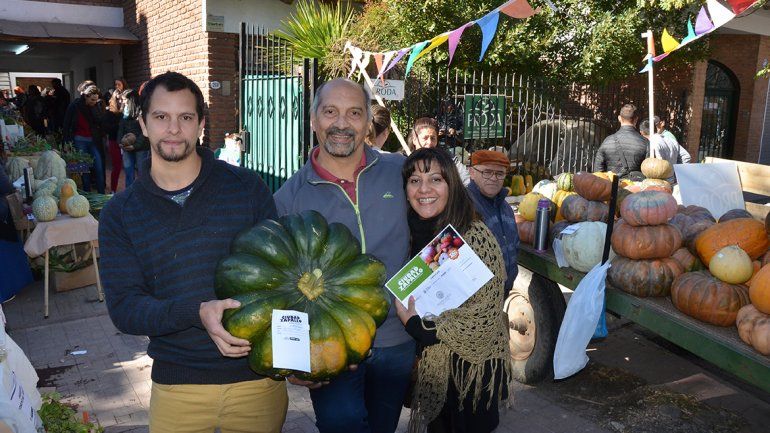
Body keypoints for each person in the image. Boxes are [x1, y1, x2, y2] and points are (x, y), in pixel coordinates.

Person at [99, 71, 287, 433]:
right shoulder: (120, 213)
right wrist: (196, 312)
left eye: (185, 117)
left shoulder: (247, 188)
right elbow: (124, 309)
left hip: (256, 381)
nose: (173, 129)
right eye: (161, 117)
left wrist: (299, 355)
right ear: (143, 123)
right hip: (177, 387)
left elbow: (281, 279)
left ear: (201, 123)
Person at [274, 78, 415, 433]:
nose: (341, 123)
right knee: (343, 424)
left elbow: (439, 230)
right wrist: (291, 358)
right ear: (313, 120)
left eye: (354, 113)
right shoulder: (289, 198)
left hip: (396, 338)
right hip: (330, 344)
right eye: (330, 112)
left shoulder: (401, 172)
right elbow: (275, 285)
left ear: (369, 121)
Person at [396, 147, 513, 433]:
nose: (424, 189)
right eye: (414, 181)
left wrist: (418, 327)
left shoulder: (473, 233)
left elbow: (485, 310)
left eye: (435, 179)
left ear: (451, 184)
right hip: (435, 370)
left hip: (471, 372)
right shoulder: (408, 231)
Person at [466, 149, 519, 297]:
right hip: (476, 298)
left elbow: (514, 246)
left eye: (499, 173)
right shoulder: (463, 205)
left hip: (502, 293)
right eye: (487, 172)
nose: (494, 178)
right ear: (472, 172)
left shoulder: (506, 208)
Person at [63, 82, 105, 193]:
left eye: (96, 100)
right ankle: (86, 195)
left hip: (94, 141)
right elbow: (66, 124)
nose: (94, 102)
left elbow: (100, 122)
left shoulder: (95, 106)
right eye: (92, 100)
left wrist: (95, 108)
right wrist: (66, 143)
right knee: (83, 169)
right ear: (85, 96)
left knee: (99, 167)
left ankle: (102, 194)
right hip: (79, 140)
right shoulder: (74, 106)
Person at [407, 117, 470, 185]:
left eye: (433, 138)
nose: (430, 143)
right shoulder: (403, 159)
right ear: (414, 140)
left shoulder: (447, 157)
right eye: (425, 138)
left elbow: (466, 178)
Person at [593, 104, 648, 179]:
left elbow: (598, 173)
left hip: (611, 188)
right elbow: (649, 171)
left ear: (619, 118)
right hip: (636, 188)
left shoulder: (607, 141)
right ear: (636, 119)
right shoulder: (645, 143)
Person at [117, 89, 149, 187]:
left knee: (142, 174)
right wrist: (120, 143)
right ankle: (129, 196)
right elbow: (120, 129)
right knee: (128, 173)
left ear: (131, 100)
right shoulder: (124, 113)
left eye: (125, 100)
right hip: (127, 147)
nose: (123, 102)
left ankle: (143, 197)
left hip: (141, 148)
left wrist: (135, 146)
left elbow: (144, 133)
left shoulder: (142, 114)